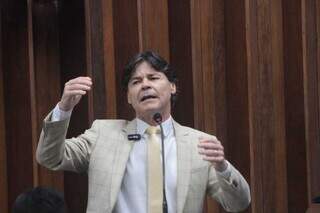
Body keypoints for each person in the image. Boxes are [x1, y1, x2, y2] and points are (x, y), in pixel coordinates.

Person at [36, 51, 251, 213]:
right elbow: (49, 157)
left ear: (173, 87)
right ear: (129, 97)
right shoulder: (103, 134)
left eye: (153, 78)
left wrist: (222, 167)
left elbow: (238, 203)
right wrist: (64, 109)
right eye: (136, 82)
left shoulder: (199, 143)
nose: (145, 85)